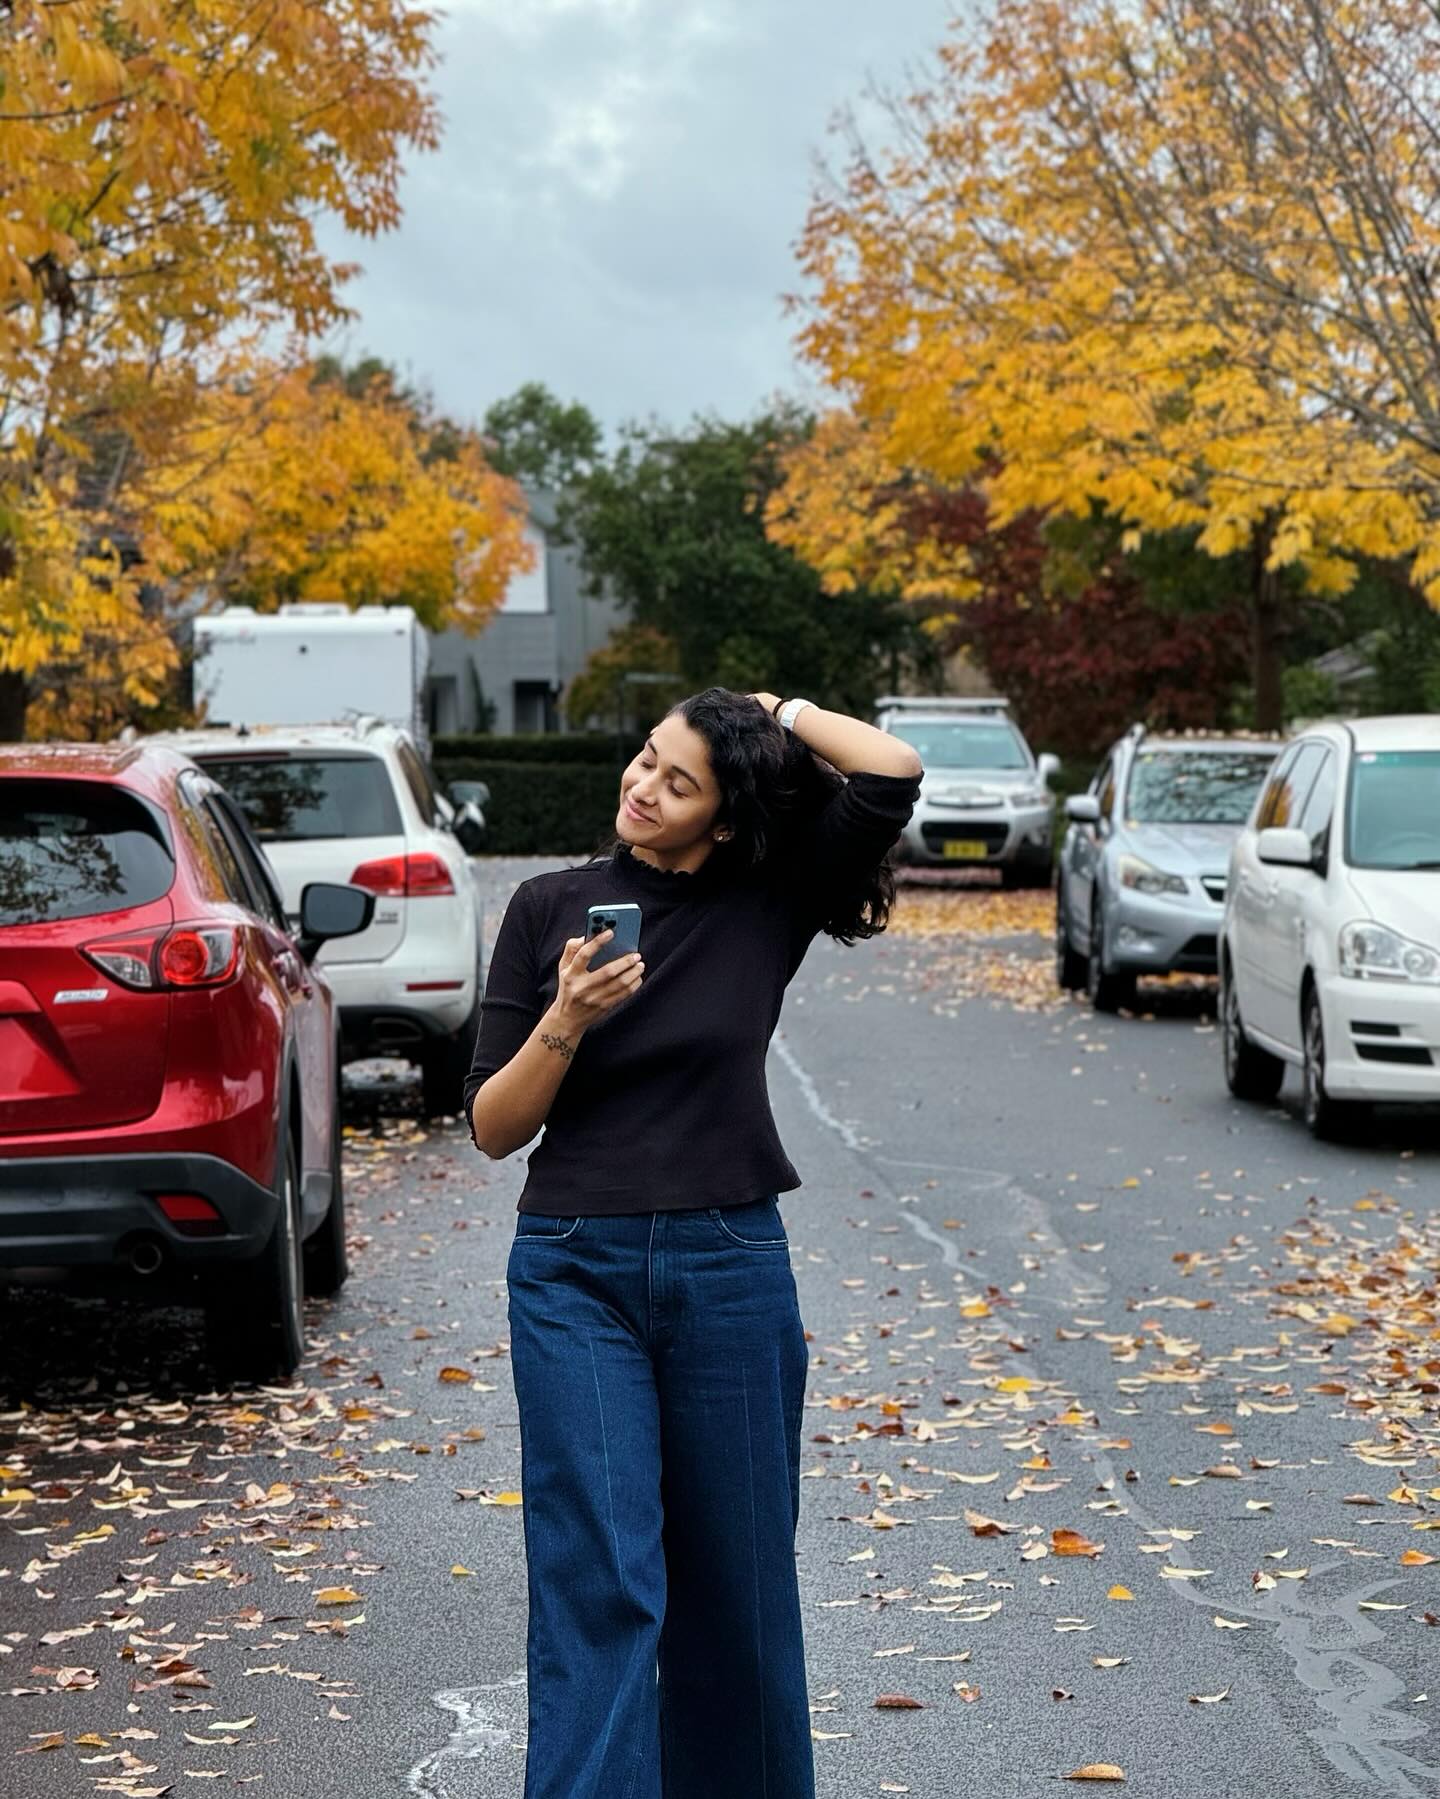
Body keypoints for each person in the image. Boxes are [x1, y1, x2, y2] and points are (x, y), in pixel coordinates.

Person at [464, 686, 923, 1799]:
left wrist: (777, 708)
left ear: (724, 818)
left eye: (678, 779)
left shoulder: (768, 898)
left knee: (739, 1584)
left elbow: (891, 769)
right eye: (644, 758)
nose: (643, 784)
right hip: (574, 1268)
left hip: (729, 1261)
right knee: (602, 1578)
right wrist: (566, 1019)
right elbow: (492, 1124)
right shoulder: (547, 907)